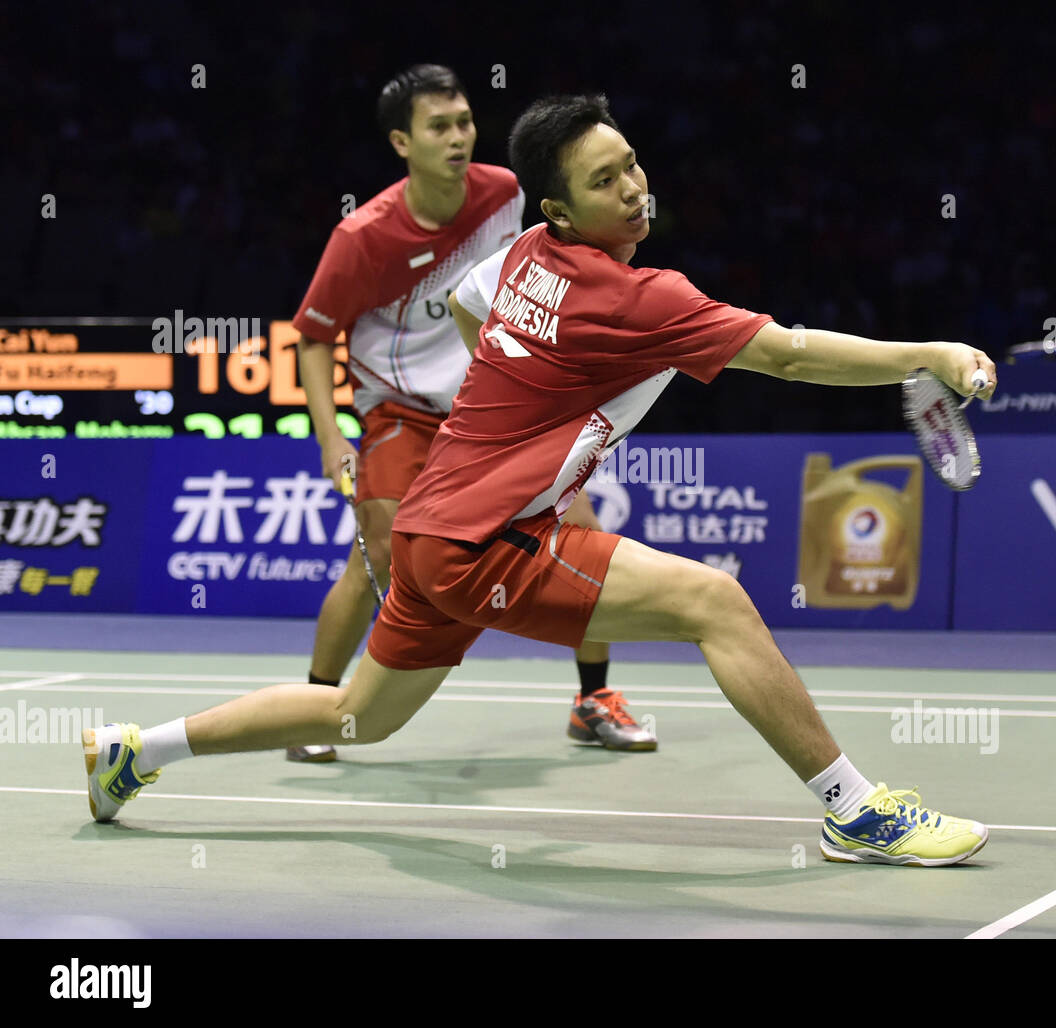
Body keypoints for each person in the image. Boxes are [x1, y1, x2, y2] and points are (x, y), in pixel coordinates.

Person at [84, 94, 997, 866]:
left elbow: (461, 302)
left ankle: (136, 749)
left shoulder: (519, 255)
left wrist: (524, 407)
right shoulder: (643, 300)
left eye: (633, 164)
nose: (635, 187)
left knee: (359, 717)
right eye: (606, 182)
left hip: (432, 533)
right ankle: (856, 810)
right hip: (485, 544)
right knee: (714, 602)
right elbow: (792, 358)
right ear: (559, 211)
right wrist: (935, 352)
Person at [290, 65, 653, 761]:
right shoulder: (362, 236)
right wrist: (330, 434)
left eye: (464, 122)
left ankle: (593, 700)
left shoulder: (505, 194)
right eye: (439, 128)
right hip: (401, 411)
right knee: (377, 547)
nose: (458, 138)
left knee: (581, 530)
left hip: (492, 410)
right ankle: (316, 708)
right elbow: (312, 337)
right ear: (402, 142)